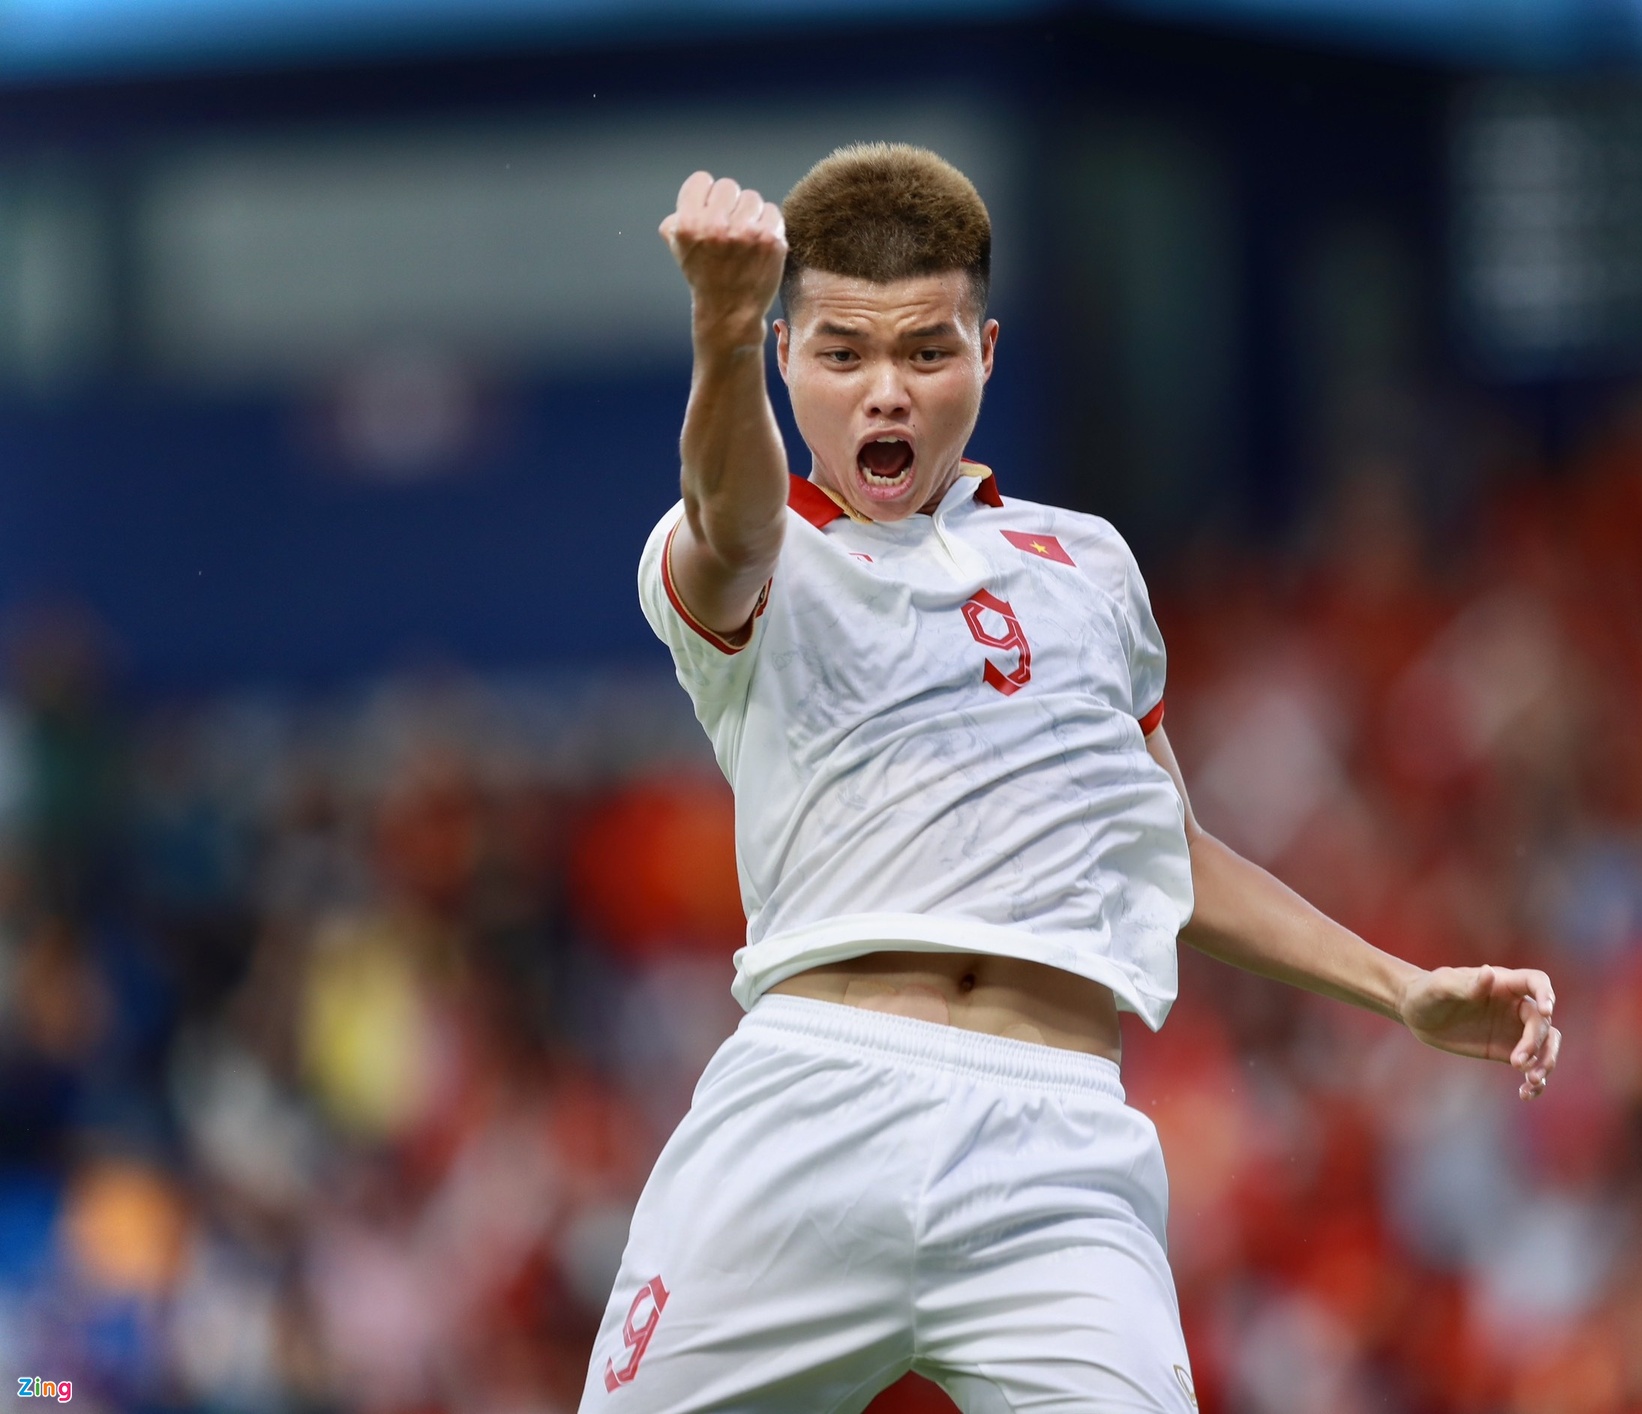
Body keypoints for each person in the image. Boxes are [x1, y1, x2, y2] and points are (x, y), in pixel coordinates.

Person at [581, 144, 1561, 1413]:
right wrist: (718, 334)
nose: (886, 392)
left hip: (1053, 1154)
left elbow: (1163, 849)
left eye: (926, 351)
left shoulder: (1088, 566)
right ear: (785, 355)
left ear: (987, 352)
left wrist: (1401, 987)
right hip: (807, 1109)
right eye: (842, 354)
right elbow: (729, 514)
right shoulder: (756, 552)